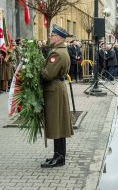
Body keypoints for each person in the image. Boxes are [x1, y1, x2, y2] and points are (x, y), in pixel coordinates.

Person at [40, 24, 73, 168]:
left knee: (57, 124)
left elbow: (48, 74)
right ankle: (58, 155)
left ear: (58, 38)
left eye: (52, 35)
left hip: (54, 90)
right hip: (58, 89)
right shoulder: (61, 51)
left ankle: (59, 158)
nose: (50, 37)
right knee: (59, 124)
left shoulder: (57, 54)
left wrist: (39, 70)